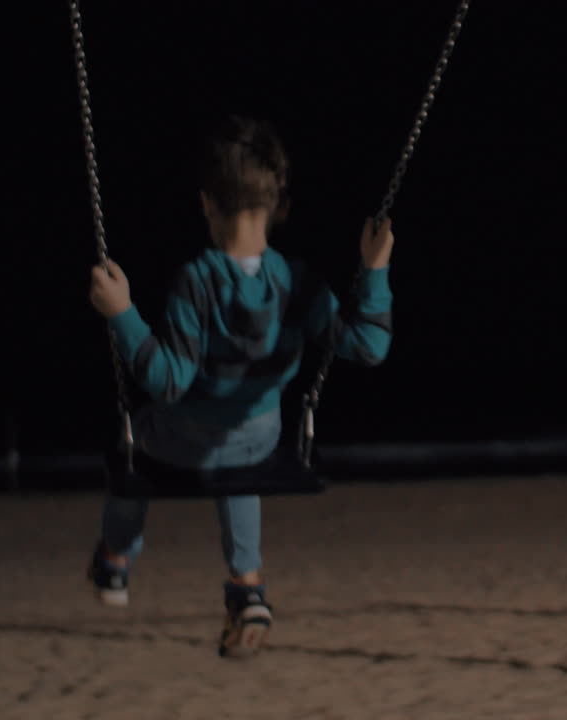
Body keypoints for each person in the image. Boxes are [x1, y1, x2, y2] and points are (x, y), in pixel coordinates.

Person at [85, 115, 395, 657]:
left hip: (179, 443)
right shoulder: (299, 282)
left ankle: (115, 559)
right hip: (259, 440)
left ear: (206, 203)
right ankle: (247, 587)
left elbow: (168, 380)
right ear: (281, 208)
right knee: (240, 457)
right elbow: (369, 345)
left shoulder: (199, 281)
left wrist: (122, 314)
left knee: (130, 445)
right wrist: (374, 269)